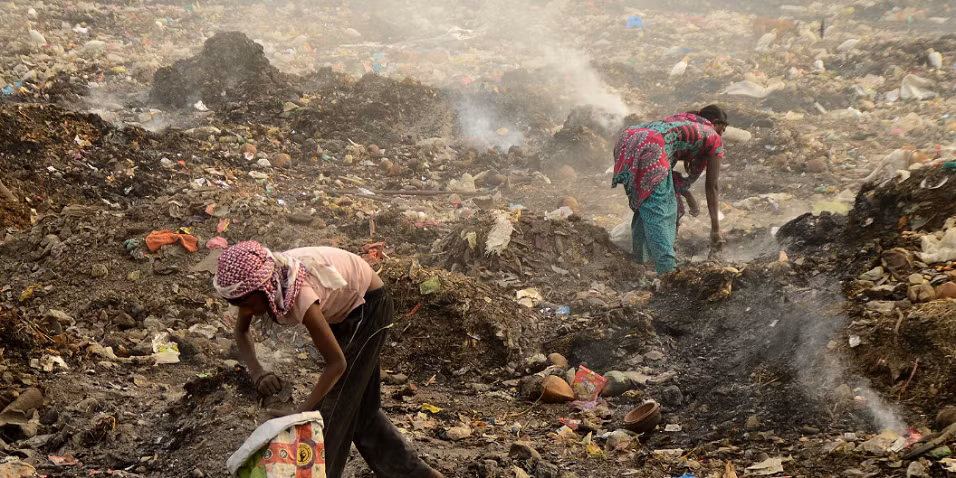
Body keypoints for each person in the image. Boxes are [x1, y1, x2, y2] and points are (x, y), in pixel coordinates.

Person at [213, 241, 444, 478]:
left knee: (331, 411)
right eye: (238, 305)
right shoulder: (259, 286)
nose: (246, 311)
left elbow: (337, 364)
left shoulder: (299, 294)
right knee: (360, 411)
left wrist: (300, 415)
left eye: (247, 304)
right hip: (343, 310)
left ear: (264, 287)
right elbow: (241, 331)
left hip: (368, 307)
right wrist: (258, 373)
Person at [611, 104, 728, 274]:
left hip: (627, 139)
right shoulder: (713, 136)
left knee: (646, 207)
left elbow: (670, 177)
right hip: (651, 147)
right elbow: (712, 186)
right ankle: (667, 272)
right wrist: (715, 230)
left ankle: (642, 261)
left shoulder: (682, 120)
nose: (722, 134)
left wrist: (688, 196)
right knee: (662, 212)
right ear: (715, 123)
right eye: (722, 129)